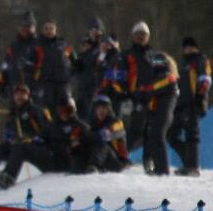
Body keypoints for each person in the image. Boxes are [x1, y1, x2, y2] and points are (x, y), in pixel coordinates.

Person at [121, 22, 178, 175]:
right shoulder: (126, 55)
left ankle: (151, 162)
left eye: (144, 34)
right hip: (136, 97)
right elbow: (121, 76)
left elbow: (167, 77)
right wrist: (125, 94)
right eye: (138, 34)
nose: (141, 37)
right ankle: (121, 157)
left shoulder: (155, 55)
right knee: (135, 130)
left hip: (154, 96)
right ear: (133, 36)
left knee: (152, 132)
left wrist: (148, 90)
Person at [168, 37, 211, 176]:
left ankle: (192, 166)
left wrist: (200, 96)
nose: (188, 49)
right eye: (186, 47)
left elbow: (205, 79)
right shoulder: (181, 63)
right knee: (171, 135)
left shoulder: (200, 60)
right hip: (179, 104)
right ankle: (188, 161)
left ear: (196, 48)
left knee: (191, 135)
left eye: (191, 47)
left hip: (193, 102)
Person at [0, 84, 54, 186]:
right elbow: (8, 133)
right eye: (17, 94)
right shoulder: (12, 113)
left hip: (39, 148)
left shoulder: (34, 111)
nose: (20, 97)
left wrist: (32, 139)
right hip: (19, 145)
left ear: (28, 96)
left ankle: (7, 178)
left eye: (23, 94)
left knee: (20, 148)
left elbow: (46, 132)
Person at [32, 19, 76, 112]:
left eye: (51, 28)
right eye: (46, 29)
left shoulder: (62, 44)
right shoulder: (37, 45)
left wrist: (71, 74)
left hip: (63, 84)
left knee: (66, 110)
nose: (49, 31)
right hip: (46, 84)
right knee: (47, 111)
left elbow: (74, 60)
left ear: (55, 30)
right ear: (43, 30)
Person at [0, 10, 41, 96]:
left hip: (33, 87)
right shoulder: (14, 45)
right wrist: (3, 82)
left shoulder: (39, 44)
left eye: (28, 26)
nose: (25, 29)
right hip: (15, 86)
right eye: (23, 26)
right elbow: (6, 64)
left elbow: (42, 65)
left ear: (34, 28)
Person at [86, 95, 129, 172]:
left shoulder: (117, 123)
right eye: (98, 108)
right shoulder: (92, 122)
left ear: (109, 110)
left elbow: (104, 135)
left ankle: (94, 166)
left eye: (104, 108)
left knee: (102, 143)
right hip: (100, 157)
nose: (101, 111)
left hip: (117, 161)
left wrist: (88, 135)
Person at [74, 17, 106, 119]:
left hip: (95, 87)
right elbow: (78, 68)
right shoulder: (86, 48)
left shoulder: (103, 46)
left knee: (93, 115)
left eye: (97, 30)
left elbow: (100, 63)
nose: (95, 32)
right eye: (93, 30)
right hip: (82, 87)